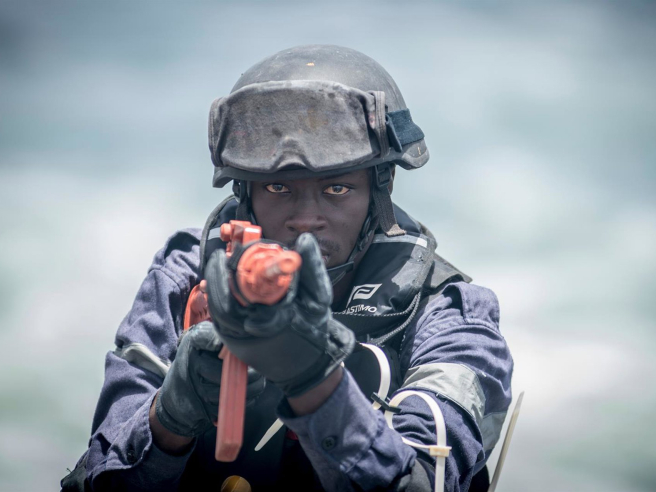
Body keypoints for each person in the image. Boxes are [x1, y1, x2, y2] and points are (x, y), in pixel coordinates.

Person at [62, 45, 513, 492]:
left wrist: (315, 381)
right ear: (246, 194)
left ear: (381, 188)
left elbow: (424, 484)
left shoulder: (449, 315)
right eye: (278, 188)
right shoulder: (184, 279)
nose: (306, 219)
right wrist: (169, 417)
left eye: (337, 188)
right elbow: (97, 479)